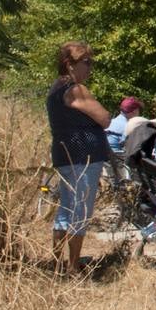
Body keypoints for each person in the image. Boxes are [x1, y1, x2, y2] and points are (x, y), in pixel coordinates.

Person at [45, 41, 113, 277]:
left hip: (65, 155)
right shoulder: (75, 89)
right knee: (80, 211)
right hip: (82, 157)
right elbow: (104, 118)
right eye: (86, 62)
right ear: (69, 64)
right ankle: (73, 266)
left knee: (66, 209)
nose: (90, 68)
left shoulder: (55, 88)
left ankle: (56, 262)